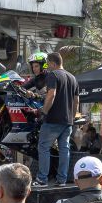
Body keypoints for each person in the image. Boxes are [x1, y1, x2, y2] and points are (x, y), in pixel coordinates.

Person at [34, 52, 79, 186]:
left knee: (43, 147)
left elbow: (51, 94)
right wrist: (72, 117)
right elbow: (77, 100)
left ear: (53, 63)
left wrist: (44, 112)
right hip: (68, 121)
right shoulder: (73, 78)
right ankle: (62, 180)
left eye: (48, 64)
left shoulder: (53, 75)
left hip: (53, 119)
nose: (47, 67)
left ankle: (42, 179)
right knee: (64, 149)